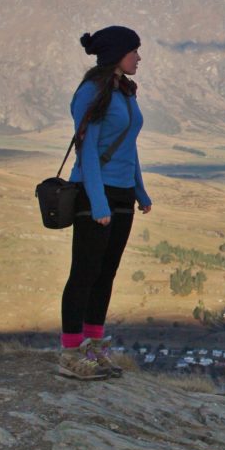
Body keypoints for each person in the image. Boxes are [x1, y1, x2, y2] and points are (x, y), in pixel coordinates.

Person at [58, 25, 153, 380]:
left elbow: (128, 147)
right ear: (117, 55)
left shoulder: (125, 91)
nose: (139, 58)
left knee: (106, 273)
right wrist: (98, 204)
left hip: (123, 193)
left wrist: (139, 191)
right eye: (134, 52)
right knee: (84, 272)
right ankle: (70, 351)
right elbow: (88, 152)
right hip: (93, 192)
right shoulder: (92, 92)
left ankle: (94, 345)